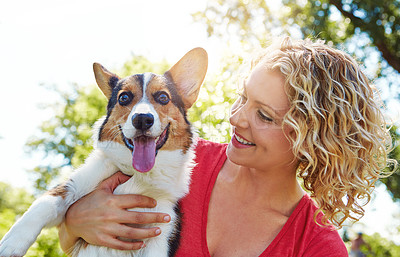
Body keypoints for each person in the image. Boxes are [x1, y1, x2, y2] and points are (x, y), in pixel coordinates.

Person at [58, 37, 394, 256]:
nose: (236, 118)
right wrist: (74, 222)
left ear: (313, 142)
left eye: (263, 115)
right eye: (243, 97)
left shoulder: (315, 246)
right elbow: (71, 241)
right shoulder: (171, 159)